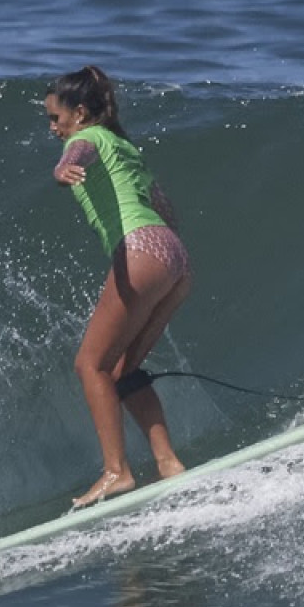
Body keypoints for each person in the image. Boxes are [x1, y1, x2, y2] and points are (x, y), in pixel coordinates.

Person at [45, 65, 194, 508]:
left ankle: (116, 472)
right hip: (175, 257)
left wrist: (63, 169)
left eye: (56, 118)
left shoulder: (84, 139)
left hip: (140, 248)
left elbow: (79, 151)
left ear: (81, 113)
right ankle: (167, 462)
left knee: (89, 365)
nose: (53, 127)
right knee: (121, 371)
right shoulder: (126, 148)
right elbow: (164, 207)